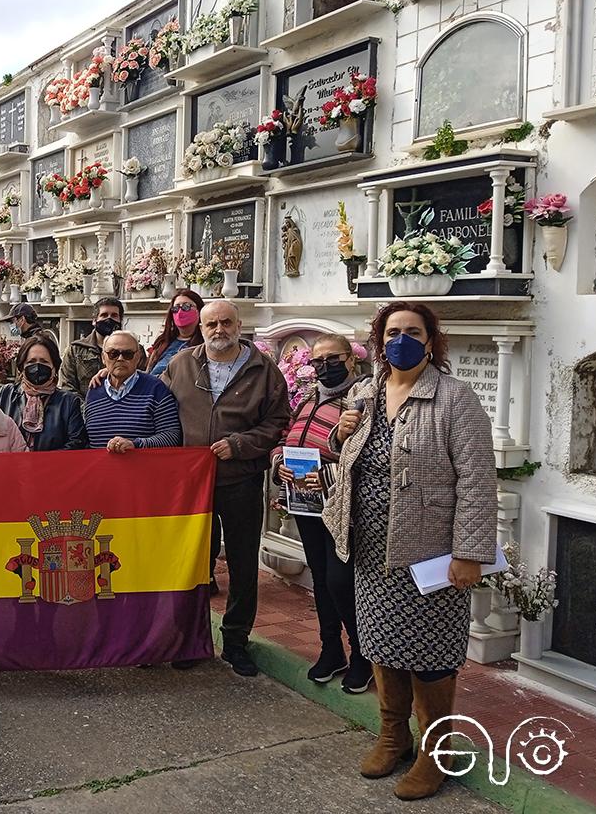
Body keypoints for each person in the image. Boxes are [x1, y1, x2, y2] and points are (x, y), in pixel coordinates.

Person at [325, 302, 496, 801]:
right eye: (392, 331)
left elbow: (478, 481)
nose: (401, 339)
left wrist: (469, 552)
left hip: (429, 554)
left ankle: (435, 751)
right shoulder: (365, 393)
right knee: (380, 643)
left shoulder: (455, 400)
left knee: (431, 652)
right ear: (380, 340)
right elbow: (348, 456)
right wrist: (341, 433)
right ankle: (393, 734)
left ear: (430, 340)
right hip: (370, 544)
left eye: (412, 331)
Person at [161, 301, 290, 677]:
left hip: (240, 481)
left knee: (242, 563)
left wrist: (241, 445)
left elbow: (278, 420)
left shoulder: (263, 370)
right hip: (192, 485)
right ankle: (192, 638)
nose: (219, 330)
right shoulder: (181, 364)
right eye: (211, 324)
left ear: (239, 324)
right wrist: (110, 375)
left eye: (226, 322)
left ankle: (236, 640)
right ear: (200, 328)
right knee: (192, 564)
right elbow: (152, 400)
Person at [270, 333, 370, 693]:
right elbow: (287, 439)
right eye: (317, 361)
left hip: (341, 506)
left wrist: (324, 476)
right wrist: (280, 462)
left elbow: (364, 457)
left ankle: (363, 655)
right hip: (305, 503)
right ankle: (332, 650)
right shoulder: (310, 399)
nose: (324, 367)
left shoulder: (363, 398)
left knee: (341, 582)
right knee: (321, 579)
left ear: (351, 359)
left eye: (333, 359)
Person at [85, 330, 181, 452]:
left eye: (127, 354)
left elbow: (172, 436)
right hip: (101, 469)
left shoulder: (156, 389)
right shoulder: (94, 390)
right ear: (103, 358)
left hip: (142, 469)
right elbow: (86, 440)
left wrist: (135, 444)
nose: (120, 359)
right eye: (113, 354)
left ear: (138, 357)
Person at [60, 297, 145, 399]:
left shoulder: (134, 350)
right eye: (104, 315)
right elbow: (68, 387)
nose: (109, 319)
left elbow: (142, 380)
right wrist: (88, 409)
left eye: (114, 315)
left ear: (120, 320)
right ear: (94, 321)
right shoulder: (75, 350)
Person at [147, 289, 205, 379]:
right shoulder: (163, 341)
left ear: (199, 310)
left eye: (187, 306)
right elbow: (149, 370)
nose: (180, 311)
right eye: (176, 308)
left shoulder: (204, 343)